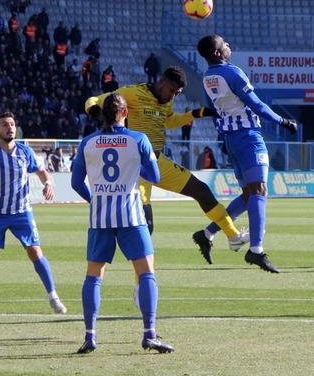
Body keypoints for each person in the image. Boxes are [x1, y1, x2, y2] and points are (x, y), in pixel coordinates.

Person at [85, 67, 249, 262]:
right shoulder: (133, 93)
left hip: (157, 161)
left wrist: (197, 113)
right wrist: (95, 111)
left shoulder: (167, 100)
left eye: (177, 93)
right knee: (146, 225)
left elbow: (169, 121)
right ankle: (142, 276)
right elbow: (93, 100)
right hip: (135, 166)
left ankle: (233, 236)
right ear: (162, 81)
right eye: (172, 90)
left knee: (201, 190)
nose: (173, 96)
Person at [71, 93, 173, 354]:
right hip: (131, 216)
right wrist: (136, 167)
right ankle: (149, 334)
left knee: (93, 275)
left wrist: (94, 200)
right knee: (146, 272)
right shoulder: (138, 139)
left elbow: (75, 182)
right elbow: (155, 176)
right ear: (125, 113)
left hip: (100, 218)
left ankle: (90, 335)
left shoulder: (88, 142)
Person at [196, 35, 298, 273]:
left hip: (231, 140)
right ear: (218, 52)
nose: (229, 46)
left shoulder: (207, 77)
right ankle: (256, 250)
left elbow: (215, 110)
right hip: (248, 138)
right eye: (224, 44)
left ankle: (207, 233)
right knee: (259, 190)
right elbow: (257, 105)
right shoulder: (232, 73)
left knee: (248, 194)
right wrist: (283, 121)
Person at [0, 112, 66, 316]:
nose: (10, 128)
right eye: (5, 125)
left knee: (35, 251)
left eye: (12, 124)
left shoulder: (25, 151)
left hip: (21, 212)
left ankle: (54, 297)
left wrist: (48, 183)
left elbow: (42, 172)